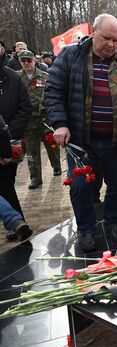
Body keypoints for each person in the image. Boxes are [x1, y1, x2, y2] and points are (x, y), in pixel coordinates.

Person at [45, 13, 117, 251]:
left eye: (116, 40)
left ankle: (112, 223)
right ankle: (86, 230)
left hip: (116, 141)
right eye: (106, 38)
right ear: (93, 33)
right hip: (82, 141)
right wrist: (60, 123)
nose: (111, 44)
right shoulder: (72, 56)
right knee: (80, 187)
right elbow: (53, 91)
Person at [16, 50, 62, 189]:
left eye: (29, 61)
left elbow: (52, 95)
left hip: (44, 118)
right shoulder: (16, 78)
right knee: (31, 150)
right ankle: (35, 177)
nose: (26, 63)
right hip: (28, 120)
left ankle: (56, 166)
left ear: (35, 61)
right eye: (23, 61)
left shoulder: (45, 77)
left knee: (52, 146)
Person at [0, 57, 32, 241]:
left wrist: (8, 133)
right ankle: (15, 222)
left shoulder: (12, 77)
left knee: (5, 184)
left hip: (9, 142)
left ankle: (15, 223)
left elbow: (25, 107)